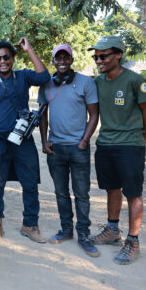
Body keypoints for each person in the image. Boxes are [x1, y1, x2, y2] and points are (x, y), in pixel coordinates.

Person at [0, 37, 50, 243]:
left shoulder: (23, 76)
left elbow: (44, 77)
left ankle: (30, 225)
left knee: (30, 183)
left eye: (6, 57)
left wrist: (29, 49)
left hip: (23, 140)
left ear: (13, 58)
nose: (2, 61)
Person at [88, 36, 146, 265]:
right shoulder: (97, 82)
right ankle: (112, 230)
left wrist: (139, 140)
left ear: (118, 55)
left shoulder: (135, 80)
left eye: (103, 56)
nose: (98, 60)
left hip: (130, 145)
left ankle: (133, 241)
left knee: (133, 193)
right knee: (111, 189)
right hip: (105, 144)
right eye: (95, 56)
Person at [38, 44, 100, 257]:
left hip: (78, 148)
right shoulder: (46, 85)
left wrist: (84, 141)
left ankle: (84, 234)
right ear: (53, 61)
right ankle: (66, 230)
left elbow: (94, 114)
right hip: (56, 148)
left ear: (71, 60)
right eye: (58, 58)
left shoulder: (86, 82)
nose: (62, 61)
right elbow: (43, 115)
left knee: (82, 194)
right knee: (61, 192)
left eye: (66, 57)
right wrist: (45, 141)